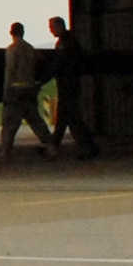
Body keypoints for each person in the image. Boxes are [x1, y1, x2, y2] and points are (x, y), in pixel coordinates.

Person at [0, 21, 55, 161]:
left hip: (15, 89)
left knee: (10, 123)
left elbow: (9, 71)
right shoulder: (30, 49)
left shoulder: (12, 49)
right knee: (35, 120)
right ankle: (51, 147)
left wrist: (5, 91)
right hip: (29, 88)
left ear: (11, 33)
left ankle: (6, 152)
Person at [46, 15, 99, 159]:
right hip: (66, 85)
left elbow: (61, 63)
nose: (50, 30)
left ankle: (87, 146)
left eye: (52, 27)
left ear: (59, 26)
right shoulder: (67, 41)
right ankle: (53, 147)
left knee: (72, 119)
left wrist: (46, 77)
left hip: (68, 85)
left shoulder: (66, 42)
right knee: (62, 119)